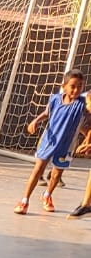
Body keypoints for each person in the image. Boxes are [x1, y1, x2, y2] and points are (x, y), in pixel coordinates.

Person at [14, 72, 91, 214]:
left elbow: (88, 108)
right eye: (72, 86)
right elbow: (46, 113)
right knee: (37, 170)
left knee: (56, 175)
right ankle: (24, 200)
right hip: (49, 141)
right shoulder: (55, 99)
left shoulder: (82, 104)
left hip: (66, 146)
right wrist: (35, 120)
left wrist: (87, 139)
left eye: (79, 86)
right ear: (64, 87)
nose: (76, 90)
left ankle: (47, 195)